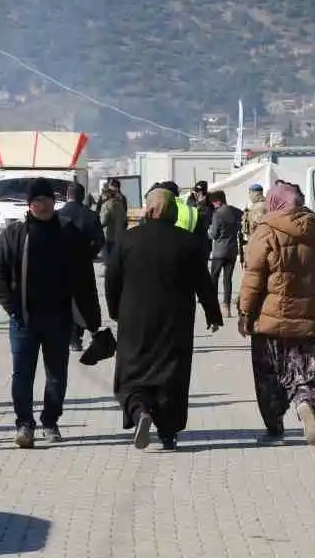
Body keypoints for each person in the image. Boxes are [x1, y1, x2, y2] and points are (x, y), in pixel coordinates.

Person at [93, 188, 222, 451]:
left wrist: (115, 310)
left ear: (148, 209)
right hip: (175, 322)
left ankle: (140, 410)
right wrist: (213, 313)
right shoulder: (188, 242)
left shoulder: (128, 240)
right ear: (173, 212)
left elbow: (112, 280)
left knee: (132, 371)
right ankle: (168, 432)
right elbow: (203, 282)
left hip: (134, 321)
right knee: (172, 374)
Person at [0, 179, 103, 448]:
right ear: (29, 204)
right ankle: (24, 424)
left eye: (47, 199)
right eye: (37, 200)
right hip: (24, 319)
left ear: (55, 202)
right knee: (22, 374)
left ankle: (50, 421)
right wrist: (11, 304)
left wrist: (92, 318)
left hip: (59, 317)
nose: (43, 204)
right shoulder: (15, 233)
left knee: (56, 374)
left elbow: (85, 277)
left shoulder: (68, 233)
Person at [237, 181, 315, 446]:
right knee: (305, 371)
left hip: (269, 323)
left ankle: (274, 429)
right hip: (308, 321)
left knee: (269, 375)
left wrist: (245, 313)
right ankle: (305, 404)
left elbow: (253, 278)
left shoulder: (266, 230)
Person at [56, 181, 107, 350]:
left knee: (67, 301)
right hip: (83, 265)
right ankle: (92, 331)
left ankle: (73, 339)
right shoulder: (90, 215)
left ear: (66, 196)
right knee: (87, 300)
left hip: (61, 266)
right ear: (82, 196)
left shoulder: (57, 215)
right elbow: (100, 241)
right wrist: (89, 253)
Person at [207, 189, 243, 317]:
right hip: (232, 250)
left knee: (214, 278)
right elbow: (243, 217)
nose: (213, 205)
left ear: (218, 201)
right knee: (228, 280)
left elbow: (214, 234)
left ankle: (213, 306)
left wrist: (209, 231)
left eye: (213, 203)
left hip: (219, 251)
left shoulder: (218, 214)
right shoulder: (235, 211)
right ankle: (226, 308)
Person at [98, 178, 129, 260]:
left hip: (108, 234)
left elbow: (102, 219)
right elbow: (125, 218)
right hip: (119, 233)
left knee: (109, 258)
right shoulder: (121, 201)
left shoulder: (107, 203)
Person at [241, 183, 267, 263]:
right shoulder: (256, 205)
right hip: (255, 240)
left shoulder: (260, 207)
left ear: (255, 194)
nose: (249, 196)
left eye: (250, 193)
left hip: (257, 241)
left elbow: (258, 224)